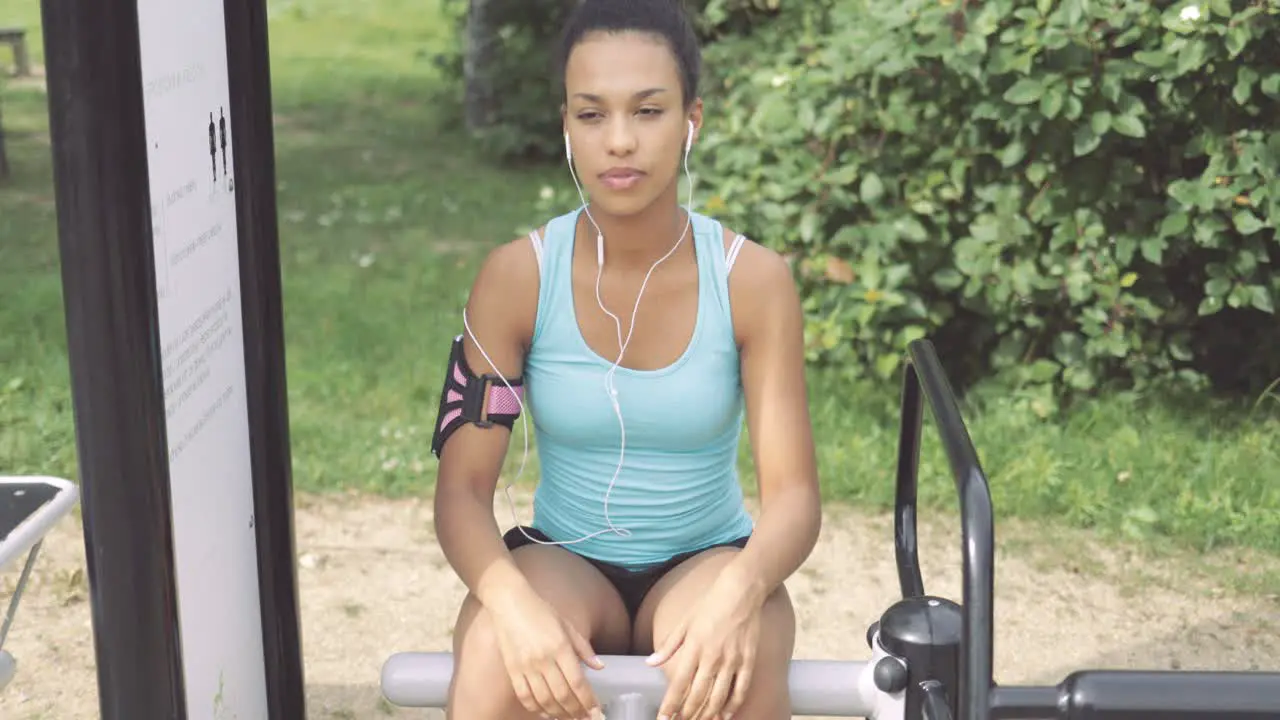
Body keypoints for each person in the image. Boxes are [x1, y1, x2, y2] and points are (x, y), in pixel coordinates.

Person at [430, 1, 821, 718]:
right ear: (566, 126)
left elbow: (793, 497)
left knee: (738, 663)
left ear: (690, 121)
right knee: (492, 652)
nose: (619, 141)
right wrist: (511, 605)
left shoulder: (754, 281)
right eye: (591, 114)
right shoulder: (516, 277)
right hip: (563, 558)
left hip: (707, 561)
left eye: (647, 111)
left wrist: (741, 591)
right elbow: (461, 493)